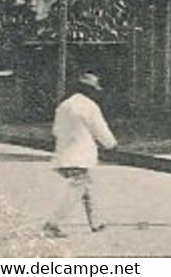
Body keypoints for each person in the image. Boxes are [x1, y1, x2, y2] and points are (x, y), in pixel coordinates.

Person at [43, 72, 117, 237]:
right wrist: (111, 145)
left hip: (63, 153)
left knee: (85, 186)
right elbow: (100, 129)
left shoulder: (64, 105)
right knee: (77, 187)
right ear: (88, 90)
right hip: (80, 156)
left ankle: (96, 222)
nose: (96, 92)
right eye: (94, 89)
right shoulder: (89, 106)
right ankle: (53, 224)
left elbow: (56, 130)